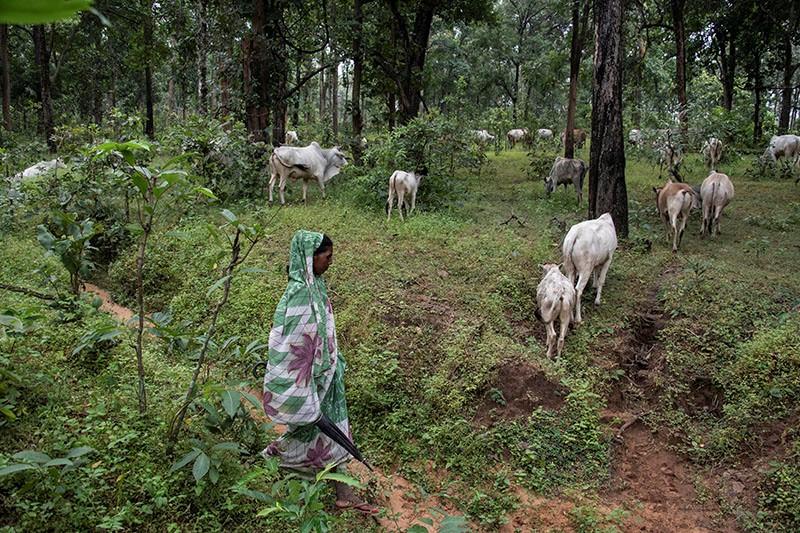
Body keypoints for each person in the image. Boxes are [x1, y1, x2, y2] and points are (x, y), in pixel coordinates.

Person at [261, 230, 378, 515]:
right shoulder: (298, 293)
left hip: (326, 375)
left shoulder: (317, 285)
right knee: (307, 431)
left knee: (335, 427)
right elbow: (287, 342)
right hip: (308, 380)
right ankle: (275, 461)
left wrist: (331, 361)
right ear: (309, 257)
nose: (330, 262)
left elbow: (323, 330)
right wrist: (306, 379)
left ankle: (342, 492)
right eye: (327, 257)